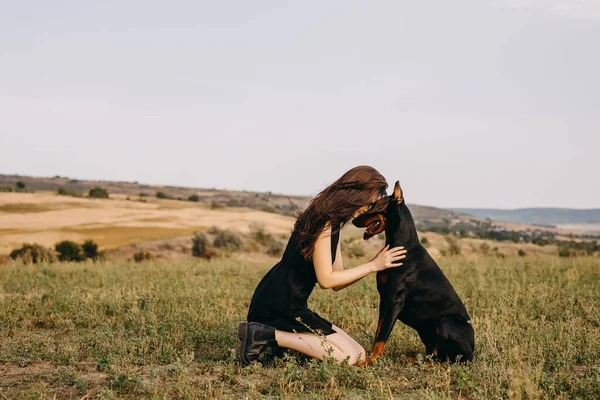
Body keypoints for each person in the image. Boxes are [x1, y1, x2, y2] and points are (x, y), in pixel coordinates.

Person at [238, 165, 407, 366]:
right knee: (348, 357)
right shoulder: (323, 222)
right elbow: (326, 280)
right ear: (357, 194)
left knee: (359, 354)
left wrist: (375, 264)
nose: (367, 210)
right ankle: (261, 334)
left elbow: (337, 281)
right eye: (369, 203)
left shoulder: (333, 223)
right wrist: (372, 266)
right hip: (279, 303)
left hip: (290, 300)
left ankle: (279, 342)